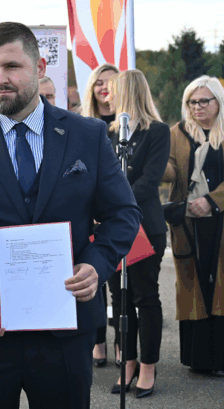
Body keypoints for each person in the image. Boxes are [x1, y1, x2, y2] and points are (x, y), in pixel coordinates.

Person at [0, 22, 140, 409]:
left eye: (11, 66)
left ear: (40, 67)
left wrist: (96, 264)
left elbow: (123, 213)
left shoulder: (87, 136)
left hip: (64, 330)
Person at [104, 70, 169, 397]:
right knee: (120, 299)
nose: (107, 96)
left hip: (145, 227)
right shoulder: (107, 133)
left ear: (128, 93)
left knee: (145, 296)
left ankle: (147, 366)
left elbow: (149, 180)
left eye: (112, 90)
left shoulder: (157, 132)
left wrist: (114, 201)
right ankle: (126, 361)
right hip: (112, 230)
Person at [164, 75, 224, 377]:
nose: (198, 107)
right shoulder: (177, 133)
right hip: (187, 223)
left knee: (221, 287)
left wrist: (212, 201)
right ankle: (198, 359)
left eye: (204, 100)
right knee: (192, 285)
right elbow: (172, 169)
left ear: (218, 102)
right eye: (192, 101)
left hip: (221, 221)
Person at [81, 62, 119, 367]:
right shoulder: (81, 126)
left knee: (120, 288)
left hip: (117, 218)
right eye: (98, 83)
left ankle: (122, 342)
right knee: (93, 283)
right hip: (87, 220)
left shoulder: (129, 125)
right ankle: (98, 341)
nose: (104, 88)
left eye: (111, 82)